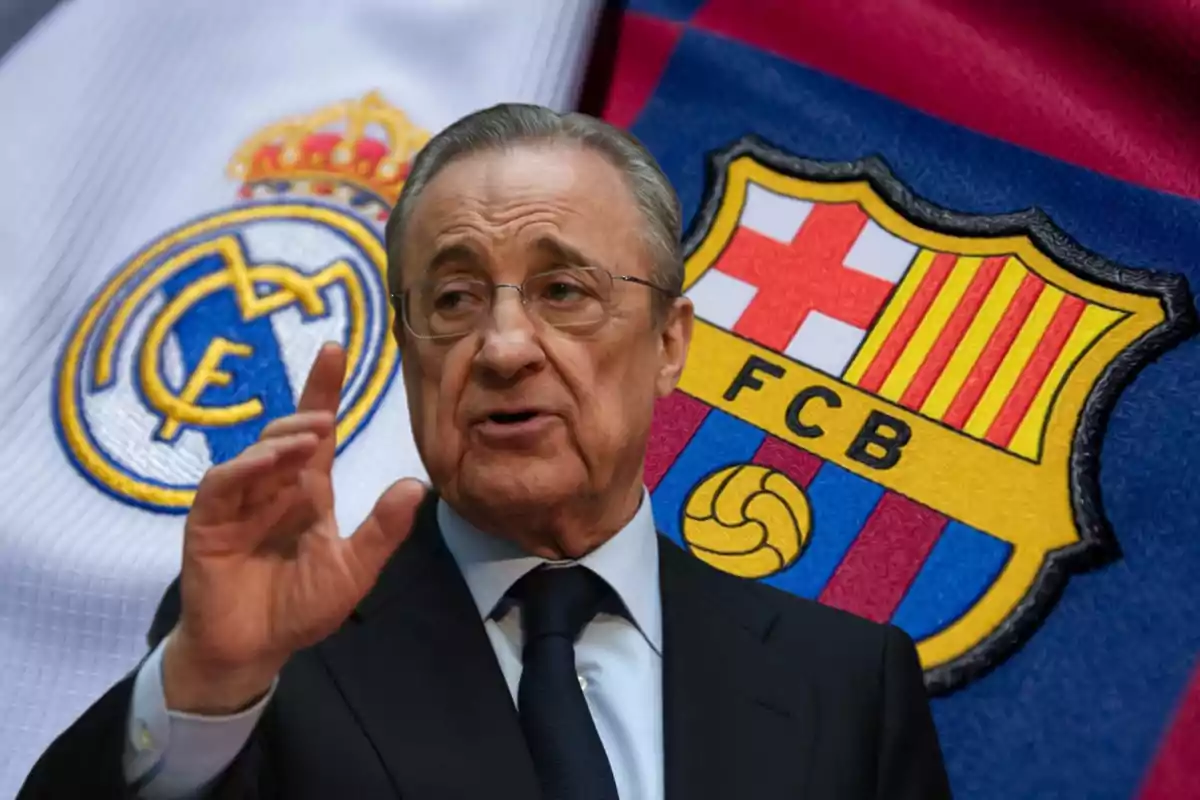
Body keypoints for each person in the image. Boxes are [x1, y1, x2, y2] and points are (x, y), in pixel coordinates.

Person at [19, 104, 952, 800]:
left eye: (563, 290)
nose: (504, 347)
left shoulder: (845, 685)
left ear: (670, 343)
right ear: (408, 346)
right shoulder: (267, 655)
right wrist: (209, 684)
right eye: (456, 300)